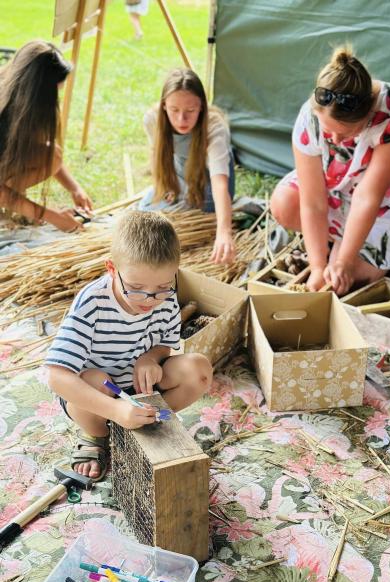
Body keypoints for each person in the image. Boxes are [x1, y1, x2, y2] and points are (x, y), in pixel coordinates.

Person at [45, 211, 213, 481]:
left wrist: (150, 357)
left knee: (198, 368)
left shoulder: (166, 299)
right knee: (95, 379)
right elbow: (56, 376)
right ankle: (96, 433)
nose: (149, 299)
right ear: (112, 269)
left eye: (162, 287)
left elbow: (164, 346)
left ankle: (145, 421)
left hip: (139, 389)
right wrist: (113, 410)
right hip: (98, 396)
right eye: (136, 288)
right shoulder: (92, 303)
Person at [270, 47, 390, 296]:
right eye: (327, 130)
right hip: (333, 186)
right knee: (283, 204)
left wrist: (343, 262)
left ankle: (345, 244)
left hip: (384, 199)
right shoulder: (310, 118)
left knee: (353, 280)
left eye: (343, 134)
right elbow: (312, 202)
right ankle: (335, 240)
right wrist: (317, 265)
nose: (334, 139)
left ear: (367, 117)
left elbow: (368, 196)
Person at [140, 68, 236, 265]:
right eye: (174, 110)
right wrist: (164, 186)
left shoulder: (214, 127)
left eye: (190, 111)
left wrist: (224, 231)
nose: (181, 119)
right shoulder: (152, 119)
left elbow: (219, 182)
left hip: (208, 176)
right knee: (147, 212)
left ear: (201, 106)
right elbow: (157, 157)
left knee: (199, 212)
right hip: (179, 168)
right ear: (164, 105)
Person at [0, 40, 93, 233]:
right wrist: (52, 216)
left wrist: (75, 188)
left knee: (52, 155)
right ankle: (13, 206)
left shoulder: (21, 103)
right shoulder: (3, 113)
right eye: (52, 92)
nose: (56, 98)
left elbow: (44, 151)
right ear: (36, 91)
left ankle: (17, 206)